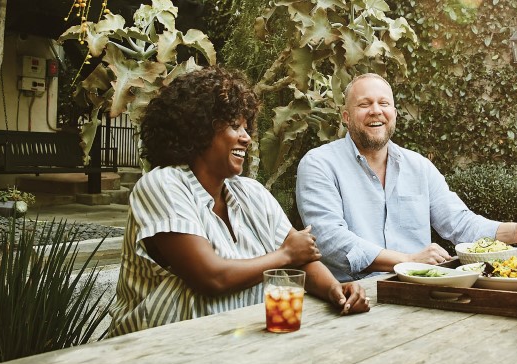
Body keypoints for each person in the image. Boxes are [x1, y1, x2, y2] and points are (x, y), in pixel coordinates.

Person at [109, 67, 369, 337]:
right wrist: (285, 255)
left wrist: (335, 290)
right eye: (234, 126)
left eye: (247, 127)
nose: (246, 137)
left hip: (240, 341)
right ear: (198, 129)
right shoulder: (163, 185)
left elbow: (302, 260)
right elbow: (211, 277)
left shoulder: (250, 193)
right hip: (155, 351)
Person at [295, 73, 517, 282]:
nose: (376, 111)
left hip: (416, 291)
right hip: (348, 296)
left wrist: (514, 232)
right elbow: (329, 240)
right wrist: (407, 260)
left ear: (394, 113)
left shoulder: (419, 167)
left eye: (384, 103)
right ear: (346, 117)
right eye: (364, 104)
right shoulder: (319, 164)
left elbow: (459, 223)